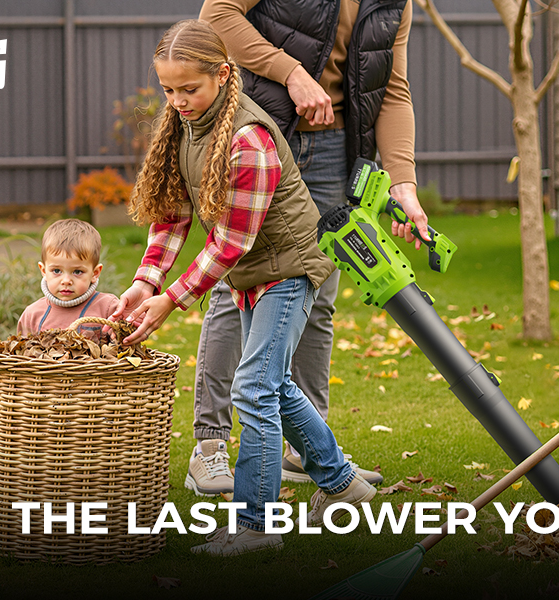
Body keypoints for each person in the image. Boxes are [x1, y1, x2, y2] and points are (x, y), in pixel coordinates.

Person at [111, 20, 375, 555]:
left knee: (253, 386)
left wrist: (171, 299)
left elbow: (231, 241)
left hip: (290, 269)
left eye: (190, 89)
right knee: (271, 384)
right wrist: (146, 281)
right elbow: (172, 215)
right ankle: (343, 484)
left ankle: (256, 526)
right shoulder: (187, 128)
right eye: (169, 90)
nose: (179, 101)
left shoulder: (247, 137)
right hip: (255, 272)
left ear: (223, 75)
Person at [185, 0, 424, 493]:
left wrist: (404, 181)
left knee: (316, 298)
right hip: (263, 130)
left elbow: (392, 89)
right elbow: (217, 16)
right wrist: (290, 71)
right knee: (240, 286)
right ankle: (209, 445)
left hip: (336, 147)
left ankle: (308, 447)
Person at [16, 219, 120, 335]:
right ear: (44, 271)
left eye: (77, 272)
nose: (66, 281)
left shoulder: (108, 308)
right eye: (56, 271)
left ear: (94, 273)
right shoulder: (32, 315)